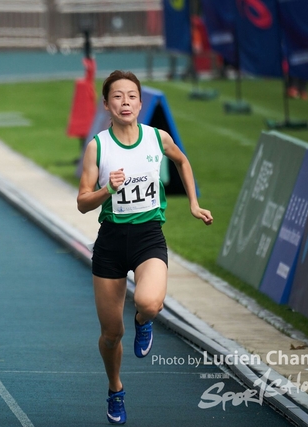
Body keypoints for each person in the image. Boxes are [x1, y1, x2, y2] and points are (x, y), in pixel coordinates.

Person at [76, 70, 212, 424]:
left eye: (132, 96)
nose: (125, 102)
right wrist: (109, 189)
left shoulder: (157, 138)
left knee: (150, 303)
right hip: (110, 242)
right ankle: (115, 388)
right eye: (117, 97)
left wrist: (194, 204)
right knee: (111, 334)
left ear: (140, 102)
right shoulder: (98, 146)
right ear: (106, 104)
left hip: (149, 236)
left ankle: (143, 319)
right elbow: (82, 202)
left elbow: (182, 161)